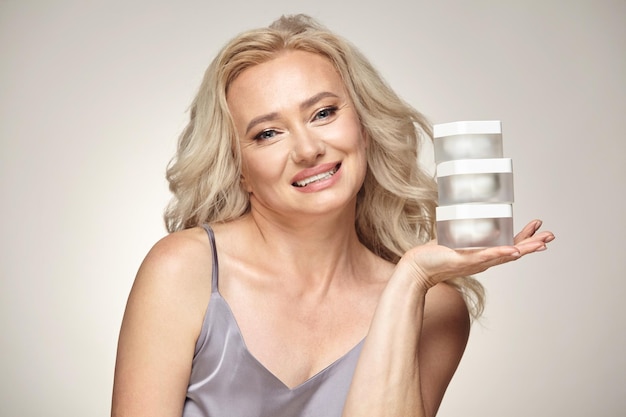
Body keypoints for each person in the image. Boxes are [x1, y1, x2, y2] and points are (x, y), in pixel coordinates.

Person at [111, 14, 554, 417]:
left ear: (363, 125)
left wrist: (410, 280)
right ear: (239, 169)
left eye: (323, 113)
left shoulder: (435, 308)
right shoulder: (184, 271)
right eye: (267, 133)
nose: (307, 149)